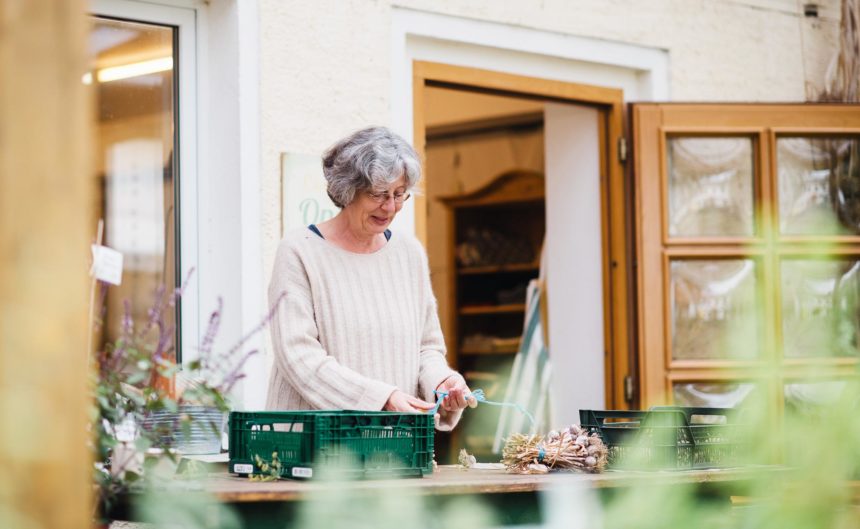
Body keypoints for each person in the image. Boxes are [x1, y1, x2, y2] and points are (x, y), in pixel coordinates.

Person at [265, 126, 475, 430]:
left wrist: (443, 382)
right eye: (378, 194)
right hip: (310, 446)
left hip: (391, 444)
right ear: (348, 190)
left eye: (399, 194)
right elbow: (297, 355)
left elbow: (426, 348)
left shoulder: (408, 253)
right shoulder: (299, 252)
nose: (390, 207)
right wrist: (380, 398)